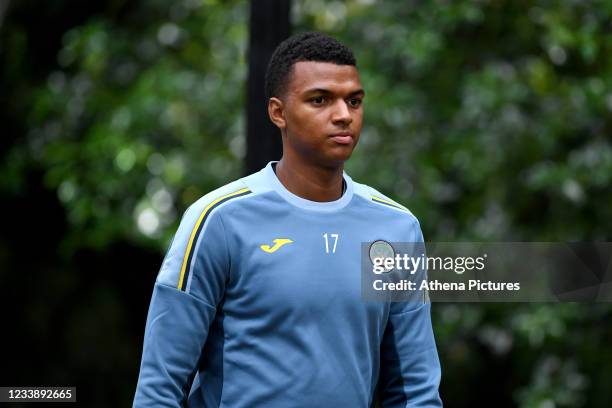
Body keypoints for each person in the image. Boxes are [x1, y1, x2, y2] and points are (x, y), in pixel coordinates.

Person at [133, 31, 442, 407]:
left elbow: (416, 392)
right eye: (320, 100)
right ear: (278, 112)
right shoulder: (218, 220)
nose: (344, 115)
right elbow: (159, 388)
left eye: (354, 101)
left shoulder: (397, 228)